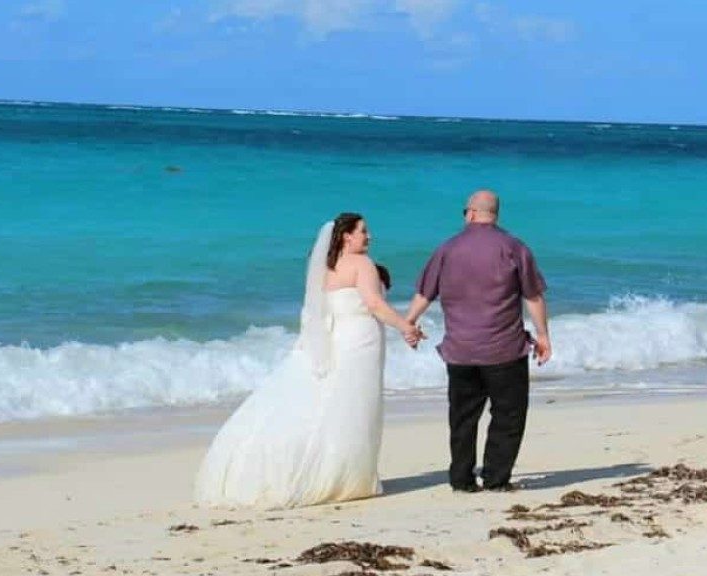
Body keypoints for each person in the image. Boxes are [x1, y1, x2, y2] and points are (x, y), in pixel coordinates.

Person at [194, 213, 422, 508]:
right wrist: (406, 327)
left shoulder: (324, 269)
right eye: (363, 231)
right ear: (346, 236)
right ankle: (348, 477)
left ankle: (336, 472)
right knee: (354, 406)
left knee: (333, 403)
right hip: (359, 342)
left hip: (338, 338)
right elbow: (374, 303)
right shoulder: (362, 264)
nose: (369, 236)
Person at [405, 190, 550, 493]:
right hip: (504, 350)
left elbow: (425, 294)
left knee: (462, 418)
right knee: (508, 415)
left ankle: (462, 479)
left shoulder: (447, 249)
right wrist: (543, 335)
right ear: (494, 214)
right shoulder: (514, 247)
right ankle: (496, 479)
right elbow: (533, 296)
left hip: (460, 351)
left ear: (470, 213)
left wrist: (409, 323)